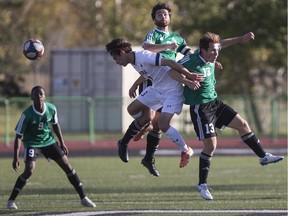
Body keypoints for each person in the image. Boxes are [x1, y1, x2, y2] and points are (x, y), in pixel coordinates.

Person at [179, 32, 284, 200]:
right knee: (211, 146)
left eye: (216, 50)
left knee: (243, 124)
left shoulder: (212, 56)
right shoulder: (191, 60)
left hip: (215, 103)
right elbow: (171, 70)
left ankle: (263, 156)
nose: (216, 53)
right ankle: (202, 184)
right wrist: (188, 81)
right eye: (212, 51)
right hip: (201, 108)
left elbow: (224, 44)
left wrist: (241, 39)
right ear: (202, 50)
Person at [105, 38, 204, 169]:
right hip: (156, 89)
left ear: (122, 52)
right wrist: (135, 85)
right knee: (132, 109)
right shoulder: (134, 61)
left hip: (172, 91)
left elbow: (169, 62)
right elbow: (147, 73)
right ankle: (126, 141)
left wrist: (188, 76)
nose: (116, 62)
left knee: (163, 124)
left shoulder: (144, 56)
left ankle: (186, 149)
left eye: (115, 58)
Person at [130, 2, 196, 177]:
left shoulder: (178, 38)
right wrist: (167, 47)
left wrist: (209, 61)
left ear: (170, 17)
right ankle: (144, 125)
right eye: (159, 14)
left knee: (160, 125)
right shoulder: (153, 34)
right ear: (154, 18)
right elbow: (147, 48)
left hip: (170, 81)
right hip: (154, 80)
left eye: (166, 14)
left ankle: (150, 154)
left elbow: (191, 55)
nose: (163, 16)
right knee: (145, 116)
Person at [6, 86, 96, 209]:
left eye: (41, 94)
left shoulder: (51, 108)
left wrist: (62, 143)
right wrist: (15, 158)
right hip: (32, 143)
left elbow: (55, 125)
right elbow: (18, 136)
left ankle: (83, 197)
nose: (39, 97)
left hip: (48, 141)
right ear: (31, 98)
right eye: (36, 95)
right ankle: (11, 200)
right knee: (29, 170)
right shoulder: (27, 114)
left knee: (67, 166)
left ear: (44, 96)